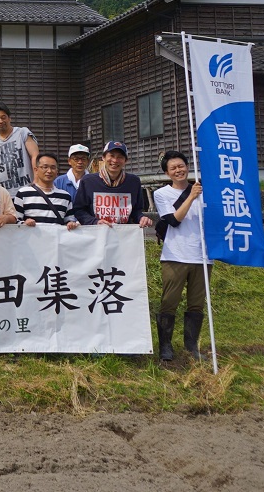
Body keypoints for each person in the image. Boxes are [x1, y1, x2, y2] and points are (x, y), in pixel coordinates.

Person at [153, 150, 208, 362]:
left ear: (187, 166)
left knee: (196, 304)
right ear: (167, 173)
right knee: (169, 302)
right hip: (175, 255)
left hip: (202, 256)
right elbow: (174, 220)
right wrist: (192, 196)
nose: (179, 170)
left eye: (181, 166)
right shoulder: (162, 194)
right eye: (173, 168)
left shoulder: (205, 190)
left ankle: (191, 345)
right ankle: (165, 346)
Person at [73, 141, 154, 228]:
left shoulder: (133, 182)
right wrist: (95, 222)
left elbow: (136, 210)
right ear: (103, 157)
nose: (115, 160)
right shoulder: (88, 181)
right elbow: (79, 210)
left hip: (124, 236)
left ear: (125, 160)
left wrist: (141, 218)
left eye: (120, 157)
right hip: (96, 235)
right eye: (111, 156)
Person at [13, 153, 79, 229]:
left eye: (53, 168)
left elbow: (69, 220)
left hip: (56, 240)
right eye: (45, 167)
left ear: (57, 171)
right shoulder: (23, 193)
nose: (49, 171)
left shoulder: (65, 196)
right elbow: (15, 220)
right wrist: (24, 223)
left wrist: (71, 224)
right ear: (36, 170)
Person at [0, 102, 39, 192]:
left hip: (27, 189)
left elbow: (35, 156)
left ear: (9, 118)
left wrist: (36, 179)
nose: (0, 121)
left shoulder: (23, 133)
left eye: (3, 117)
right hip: (4, 195)